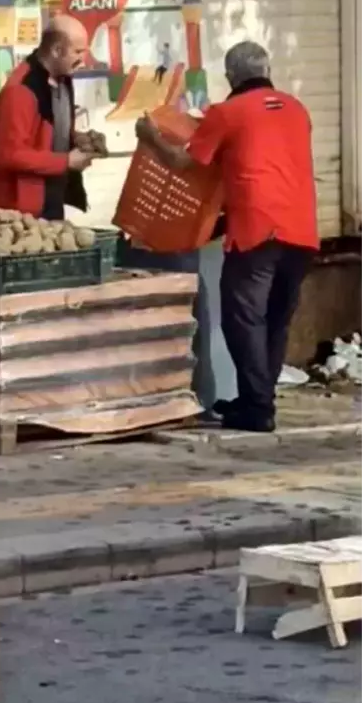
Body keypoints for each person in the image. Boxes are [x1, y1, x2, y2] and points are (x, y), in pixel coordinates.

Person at [135, 40, 318, 433]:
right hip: (302, 231)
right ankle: (259, 402)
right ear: (266, 70)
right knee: (276, 320)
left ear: (231, 76)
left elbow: (188, 164)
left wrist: (150, 136)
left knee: (243, 317)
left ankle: (256, 407)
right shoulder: (297, 110)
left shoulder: (228, 112)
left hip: (257, 229)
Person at [0, 15, 93, 219]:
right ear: (56, 50)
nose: (83, 60)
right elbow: (9, 154)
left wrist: (77, 139)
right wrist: (66, 161)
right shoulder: (20, 90)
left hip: (51, 200)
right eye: (77, 52)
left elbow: (45, 132)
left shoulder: (63, 79)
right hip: (16, 212)